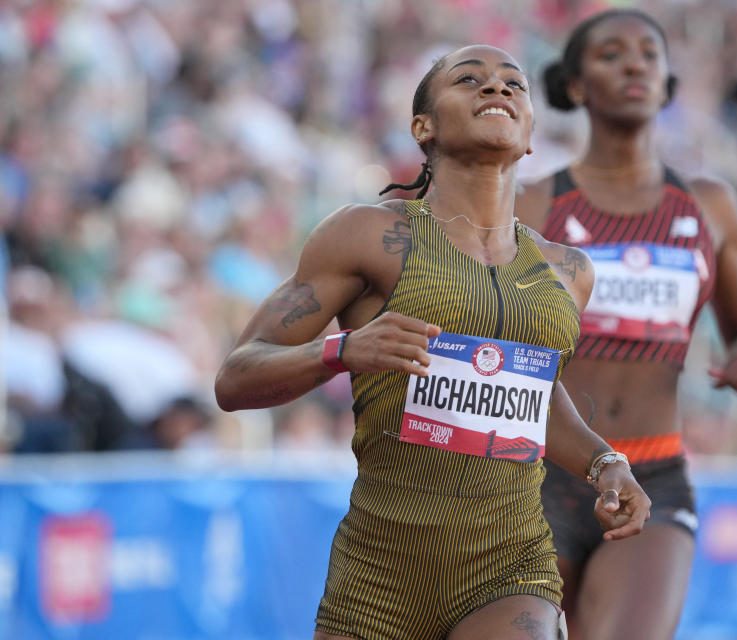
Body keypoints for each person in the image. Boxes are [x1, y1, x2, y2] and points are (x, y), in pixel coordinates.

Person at [215, 44, 652, 640]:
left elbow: (535, 397)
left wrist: (606, 463)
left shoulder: (567, 273)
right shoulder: (368, 233)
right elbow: (236, 378)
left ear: (529, 135)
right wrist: (342, 351)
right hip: (378, 578)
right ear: (423, 127)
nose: (496, 89)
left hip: (511, 565)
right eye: (469, 80)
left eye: (512, 85)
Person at [515, 10, 737, 640]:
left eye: (649, 55)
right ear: (575, 85)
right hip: (536, 474)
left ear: (666, 83)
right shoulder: (532, 203)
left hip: (654, 473)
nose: (634, 64)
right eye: (611, 54)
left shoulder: (709, 205)